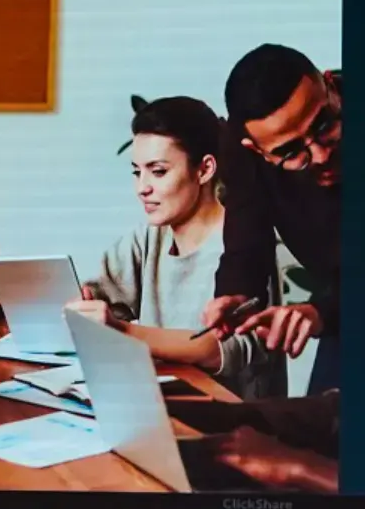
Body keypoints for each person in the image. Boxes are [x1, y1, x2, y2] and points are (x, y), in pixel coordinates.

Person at [88, 95, 283, 401]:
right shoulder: (148, 238)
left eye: (159, 171)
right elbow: (95, 297)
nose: (142, 188)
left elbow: (222, 349)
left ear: (204, 169)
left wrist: (121, 332)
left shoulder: (246, 245)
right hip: (163, 411)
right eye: (137, 172)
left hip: (237, 428)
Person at [204, 43, 341, 393]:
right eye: (292, 152)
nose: (321, 155)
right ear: (256, 150)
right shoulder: (240, 151)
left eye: (325, 125)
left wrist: (321, 312)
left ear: (330, 85)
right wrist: (237, 294)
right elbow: (246, 243)